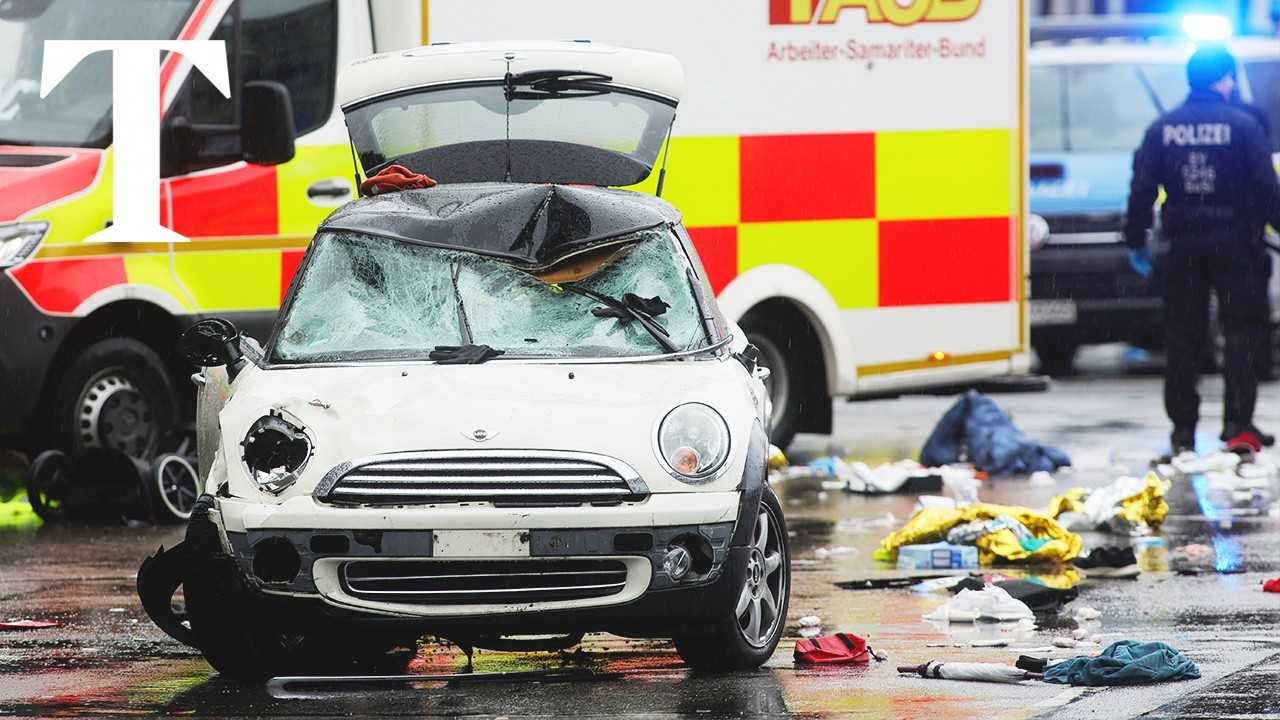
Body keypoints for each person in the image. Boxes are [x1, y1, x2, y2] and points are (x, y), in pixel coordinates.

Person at [1122, 43, 1280, 454]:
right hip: (1235, 244)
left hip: (1184, 246)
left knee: (1183, 338)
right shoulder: (1244, 126)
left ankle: (1183, 432)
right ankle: (1238, 425)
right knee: (1242, 332)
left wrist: (1136, 239)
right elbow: (1267, 189)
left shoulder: (1163, 128)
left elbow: (1141, 189)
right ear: (1225, 80)